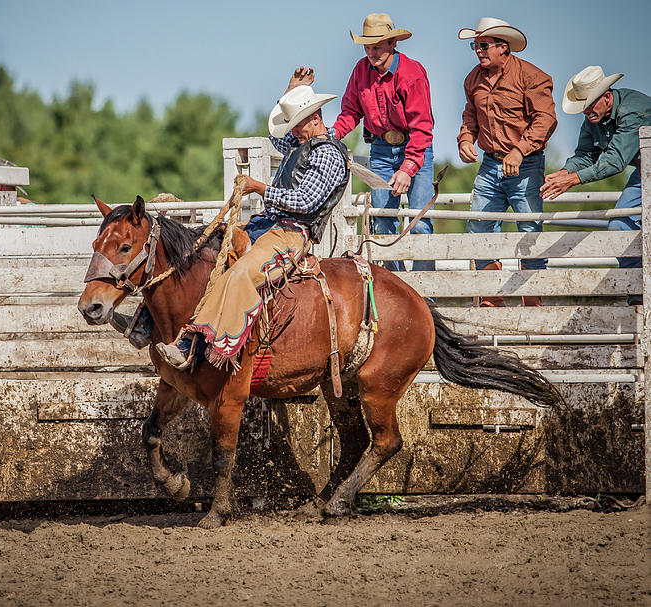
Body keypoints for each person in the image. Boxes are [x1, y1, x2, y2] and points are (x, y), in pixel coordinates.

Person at [156, 81, 349, 370]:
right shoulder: (302, 143)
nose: (293, 131)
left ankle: (195, 344)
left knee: (242, 273)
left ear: (316, 118)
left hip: (292, 233)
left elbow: (305, 202)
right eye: (292, 124)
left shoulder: (328, 154)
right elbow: (276, 134)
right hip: (267, 224)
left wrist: (260, 188)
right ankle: (151, 320)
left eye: (297, 124)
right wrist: (288, 93)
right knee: (202, 251)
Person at [457, 17, 558, 307]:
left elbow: (546, 119)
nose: (479, 50)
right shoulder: (473, 79)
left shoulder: (531, 76)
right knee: (479, 226)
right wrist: (465, 138)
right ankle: (492, 298)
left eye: (484, 45)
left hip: (525, 165)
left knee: (529, 230)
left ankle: (532, 300)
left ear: (504, 47)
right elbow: (470, 115)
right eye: (475, 45)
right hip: (490, 164)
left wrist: (520, 150)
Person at [331, 12, 436, 272]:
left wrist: (408, 167)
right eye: (367, 46)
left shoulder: (412, 74)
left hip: (415, 148)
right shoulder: (360, 71)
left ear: (393, 43)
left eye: (377, 46)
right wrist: (332, 135)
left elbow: (422, 127)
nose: (371, 52)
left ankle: (427, 292)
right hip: (380, 148)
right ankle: (395, 287)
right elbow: (350, 112)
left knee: (420, 221)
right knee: (381, 219)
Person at [541, 66, 651, 304]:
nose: (587, 111)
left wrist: (572, 179)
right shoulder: (594, 119)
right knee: (620, 225)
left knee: (624, 222)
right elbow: (585, 154)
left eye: (590, 104)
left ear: (607, 96)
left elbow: (615, 161)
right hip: (646, 171)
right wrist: (563, 173)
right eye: (584, 106)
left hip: (645, 171)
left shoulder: (634, 111)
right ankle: (638, 296)